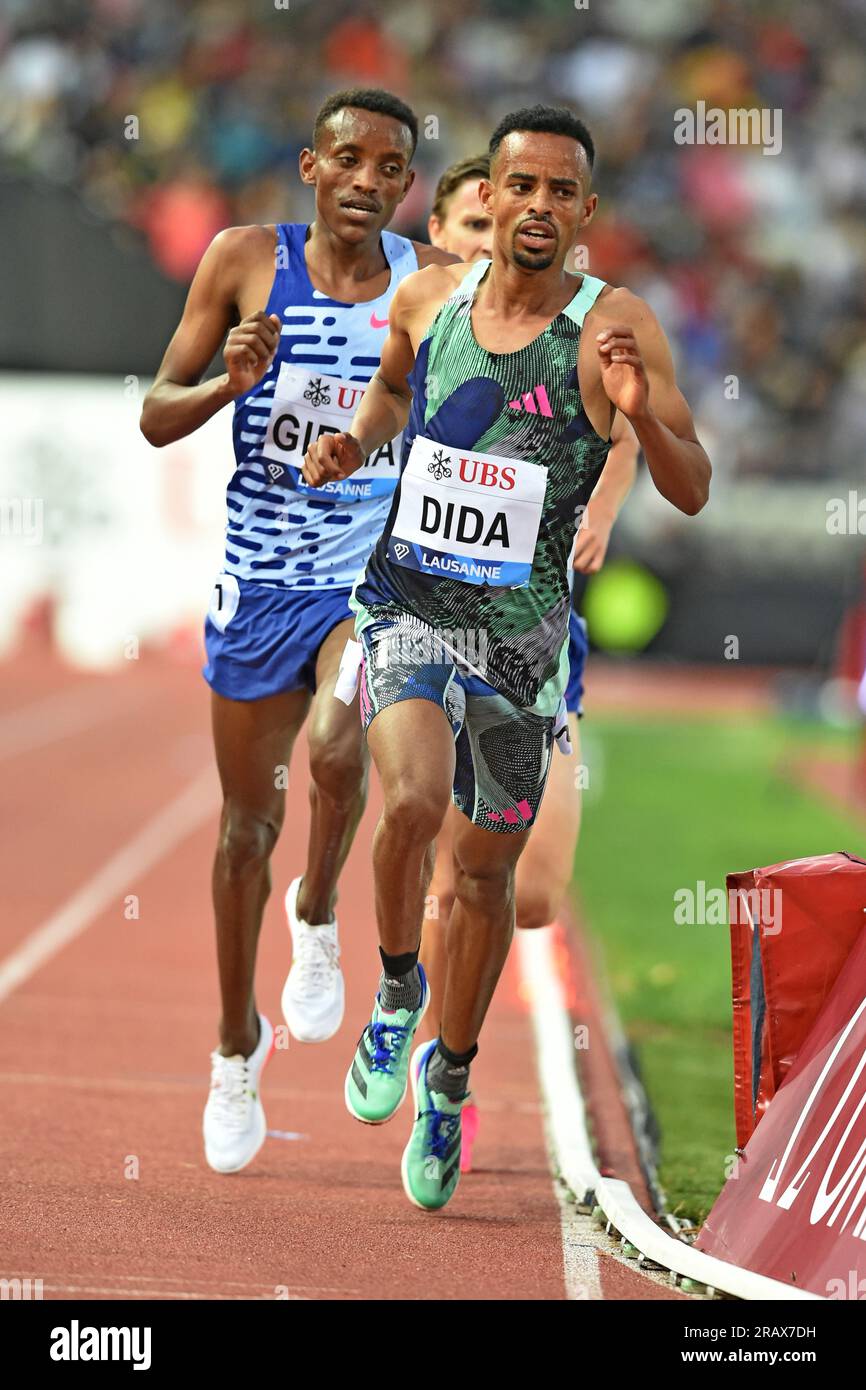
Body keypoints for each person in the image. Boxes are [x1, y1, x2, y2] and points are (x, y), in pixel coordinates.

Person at [303, 104, 711, 1211]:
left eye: (556, 192)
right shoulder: (428, 296)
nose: (532, 208)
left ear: (584, 212)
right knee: (409, 800)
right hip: (406, 602)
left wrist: (641, 415)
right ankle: (396, 991)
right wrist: (357, 441)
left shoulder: (612, 326)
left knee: (485, 877)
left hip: (521, 642)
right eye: (514, 188)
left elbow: (689, 483)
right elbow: (394, 389)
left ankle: (449, 1075)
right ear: (487, 199)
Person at [139, 87, 457, 1175]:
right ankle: (235, 1049)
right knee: (240, 832)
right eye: (350, 160)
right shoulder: (241, 259)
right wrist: (225, 383)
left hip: (364, 578)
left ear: (406, 186)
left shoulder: (428, 284)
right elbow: (153, 412)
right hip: (256, 581)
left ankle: (318, 910)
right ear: (310, 167)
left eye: (391, 167)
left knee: (336, 741)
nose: (370, 180)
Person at [422, 153, 640, 1172]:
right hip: (419, 632)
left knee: (533, 893)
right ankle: (415, 1028)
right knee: (439, 852)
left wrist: (596, 509)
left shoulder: (571, 334)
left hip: (534, 647)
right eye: (468, 228)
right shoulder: (423, 327)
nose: (491, 241)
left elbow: (628, 427)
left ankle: (435, 1012)